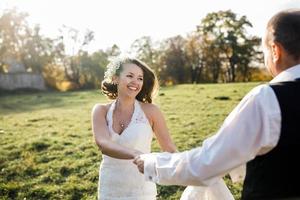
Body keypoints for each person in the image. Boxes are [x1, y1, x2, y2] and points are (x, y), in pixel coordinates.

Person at [134, 9, 300, 200]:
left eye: (263, 51)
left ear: (275, 50)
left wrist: (153, 163)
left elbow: (207, 163)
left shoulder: (268, 99)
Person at [91, 56, 177, 200]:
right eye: (130, 76)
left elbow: (169, 149)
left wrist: (193, 167)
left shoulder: (151, 111)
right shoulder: (100, 110)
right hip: (109, 188)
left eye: (140, 78)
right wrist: (136, 154)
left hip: (141, 190)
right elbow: (103, 144)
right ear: (115, 78)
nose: (135, 82)